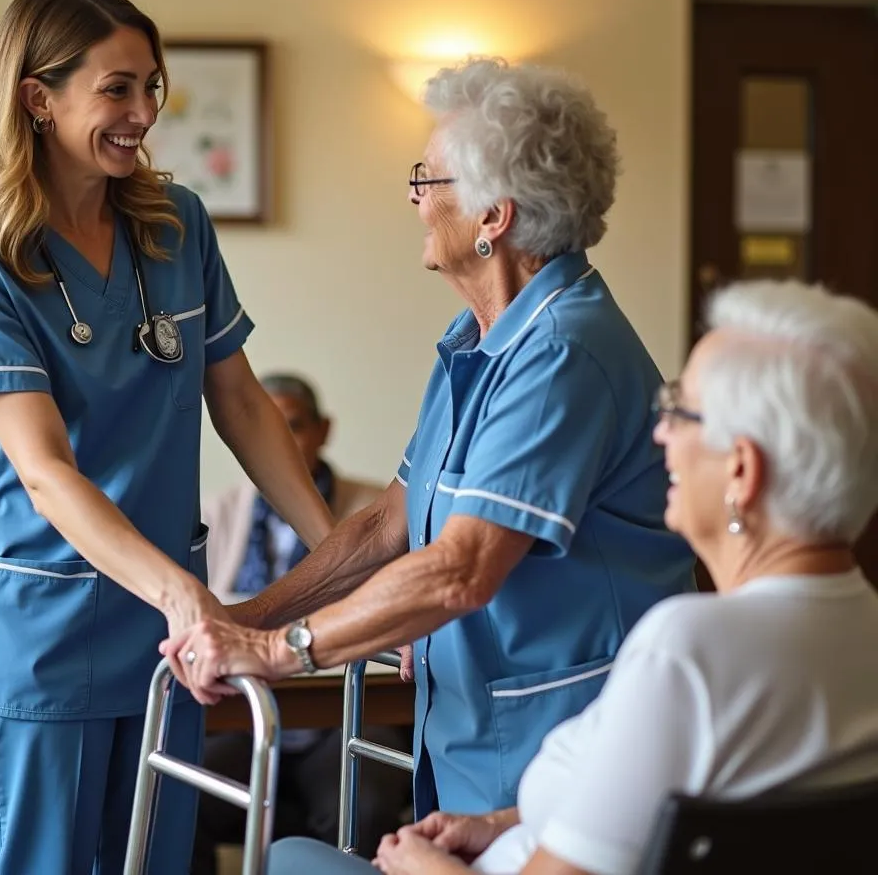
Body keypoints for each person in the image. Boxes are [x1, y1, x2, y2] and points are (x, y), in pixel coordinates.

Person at [164, 58, 695, 819]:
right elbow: (388, 526)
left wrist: (282, 652)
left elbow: (458, 572)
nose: (414, 198)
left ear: (493, 216)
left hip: (564, 745)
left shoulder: (561, 355)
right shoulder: (480, 341)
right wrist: (244, 621)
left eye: (430, 179)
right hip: (478, 731)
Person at [0, 0, 333, 875]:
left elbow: (243, 404)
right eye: (117, 88)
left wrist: (340, 557)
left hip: (166, 645)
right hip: (44, 640)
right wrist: (184, 595)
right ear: (39, 98)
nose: (144, 111)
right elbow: (44, 470)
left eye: (153, 86)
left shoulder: (176, 225)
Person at [267, 278, 878, 875]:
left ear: (741, 471)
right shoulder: (859, 628)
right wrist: (502, 823)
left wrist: (425, 866)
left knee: (286, 857)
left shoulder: (688, 649)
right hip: (517, 837)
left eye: (679, 409)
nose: (659, 431)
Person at [193, 373, 411, 873]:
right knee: (179, 791)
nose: (283, 443)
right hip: (245, 715)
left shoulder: (373, 511)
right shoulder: (219, 511)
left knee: (363, 798)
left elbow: (391, 605)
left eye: (293, 425)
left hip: (342, 713)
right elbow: (204, 605)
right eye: (270, 429)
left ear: (323, 429)